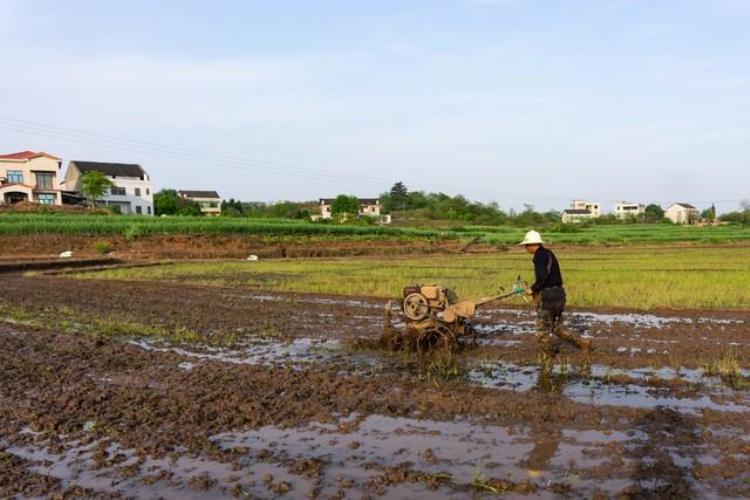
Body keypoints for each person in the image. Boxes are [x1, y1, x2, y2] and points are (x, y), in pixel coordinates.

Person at [519, 230, 591, 355]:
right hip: (559, 294)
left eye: (526, 245)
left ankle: (547, 356)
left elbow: (542, 277)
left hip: (549, 296)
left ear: (532, 244)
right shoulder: (549, 253)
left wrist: (532, 289)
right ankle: (582, 343)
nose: (525, 248)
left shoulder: (538, 256)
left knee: (543, 330)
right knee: (557, 327)